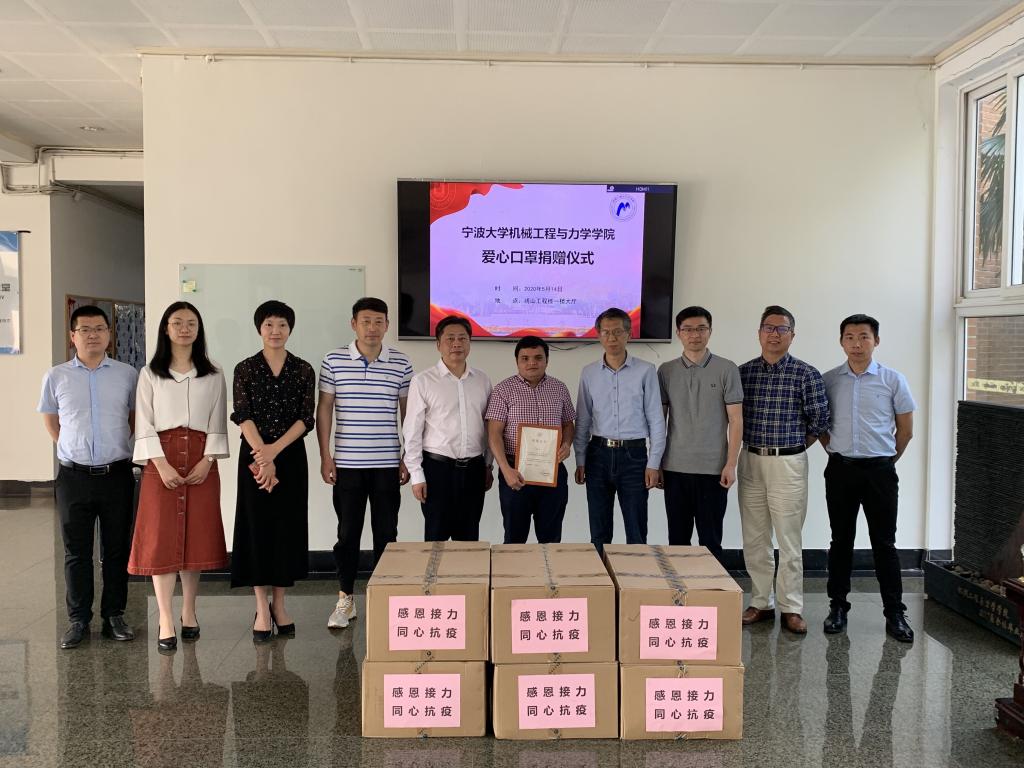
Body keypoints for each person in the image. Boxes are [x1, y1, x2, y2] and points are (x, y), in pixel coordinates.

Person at [129, 301, 229, 652]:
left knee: (195, 536)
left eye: (191, 323)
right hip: (162, 458)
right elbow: (144, 422)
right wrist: (160, 464)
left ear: (199, 330)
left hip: (202, 458)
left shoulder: (213, 373)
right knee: (161, 537)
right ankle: (165, 617)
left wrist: (207, 461)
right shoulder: (150, 373)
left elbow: (217, 422)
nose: (184, 329)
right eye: (177, 322)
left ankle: (189, 610)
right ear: (166, 328)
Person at [38, 305, 138, 649]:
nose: (92, 335)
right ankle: (78, 619)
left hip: (116, 474)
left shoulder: (127, 375)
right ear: (72, 336)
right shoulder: (56, 376)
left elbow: (133, 418)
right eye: (84, 329)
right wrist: (74, 450)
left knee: (116, 548)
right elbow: (51, 421)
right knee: (76, 551)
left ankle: (114, 615)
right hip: (73, 476)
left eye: (99, 328)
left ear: (109, 334)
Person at [317, 297, 413, 629]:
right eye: (365, 321)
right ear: (354, 324)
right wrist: (325, 455)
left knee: (387, 534)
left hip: (387, 464)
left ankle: (385, 599)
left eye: (378, 321)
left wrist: (407, 456)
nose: (372, 328)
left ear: (387, 325)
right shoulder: (333, 360)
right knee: (347, 534)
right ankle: (346, 599)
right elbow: (324, 408)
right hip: (347, 464)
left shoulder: (401, 362)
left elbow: (408, 414)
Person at [820, 314, 916, 642]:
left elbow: (905, 431)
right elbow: (821, 426)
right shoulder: (829, 380)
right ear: (841, 341)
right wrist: (836, 452)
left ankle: (895, 613)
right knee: (840, 541)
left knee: (884, 543)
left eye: (864, 336)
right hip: (841, 470)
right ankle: (837, 607)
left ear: (876, 340)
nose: (857, 344)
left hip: (880, 473)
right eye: (850, 337)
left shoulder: (893, 380)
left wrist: (885, 461)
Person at [738, 305, 830, 635]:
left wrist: (791, 449)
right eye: (769, 327)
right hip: (750, 459)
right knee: (755, 536)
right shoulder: (743, 373)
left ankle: (791, 607)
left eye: (782, 329)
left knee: (789, 539)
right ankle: (761, 602)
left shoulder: (806, 374)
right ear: (759, 333)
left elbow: (820, 421)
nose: (774, 334)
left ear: (792, 335)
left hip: (788, 463)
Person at [230, 300, 316, 642]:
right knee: (256, 528)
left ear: (290, 329)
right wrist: (263, 457)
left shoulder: (303, 369)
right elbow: (243, 415)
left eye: (282, 325)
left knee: (286, 528)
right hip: (253, 456)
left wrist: (273, 452)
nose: (275, 331)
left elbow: (306, 418)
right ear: (259, 329)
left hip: (290, 458)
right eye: (269, 325)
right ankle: (261, 609)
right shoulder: (245, 368)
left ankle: (279, 604)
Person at [574, 308, 665, 552]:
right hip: (598, 454)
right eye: (606, 332)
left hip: (634, 456)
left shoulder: (646, 370)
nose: (612, 338)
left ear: (629, 334)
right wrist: (580, 460)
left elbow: (656, 419)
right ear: (598, 335)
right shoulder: (589, 373)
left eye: (617, 332)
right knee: (599, 531)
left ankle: (634, 577)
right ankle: (602, 576)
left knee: (636, 530)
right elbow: (583, 420)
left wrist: (654, 463)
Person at [658, 306, 743, 563]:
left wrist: (731, 464)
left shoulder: (727, 368)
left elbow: (736, 420)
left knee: (711, 540)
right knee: (677, 540)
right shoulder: (666, 371)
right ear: (678, 333)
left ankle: (712, 587)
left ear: (710, 331)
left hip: (713, 469)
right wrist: (656, 463)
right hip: (675, 468)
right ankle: (679, 588)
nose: (695, 335)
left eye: (701, 329)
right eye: (688, 329)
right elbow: (659, 421)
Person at [403, 316, 493, 541]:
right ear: (438, 344)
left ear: (470, 343)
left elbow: (489, 427)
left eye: (462, 338)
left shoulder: (482, 380)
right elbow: (412, 431)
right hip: (437, 471)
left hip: (474, 470)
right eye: (450, 338)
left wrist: (488, 465)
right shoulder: (423, 381)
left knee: (469, 539)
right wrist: (416, 475)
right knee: (436, 539)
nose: (456, 344)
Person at [486, 336, 575, 544]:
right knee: (514, 540)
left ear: (547, 360)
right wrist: (505, 470)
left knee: (551, 539)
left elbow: (568, 424)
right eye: (525, 358)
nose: (532, 363)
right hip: (515, 472)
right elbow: (494, 433)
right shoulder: (503, 390)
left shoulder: (559, 388)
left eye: (538, 357)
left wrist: (566, 444)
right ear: (517, 361)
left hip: (552, 471)